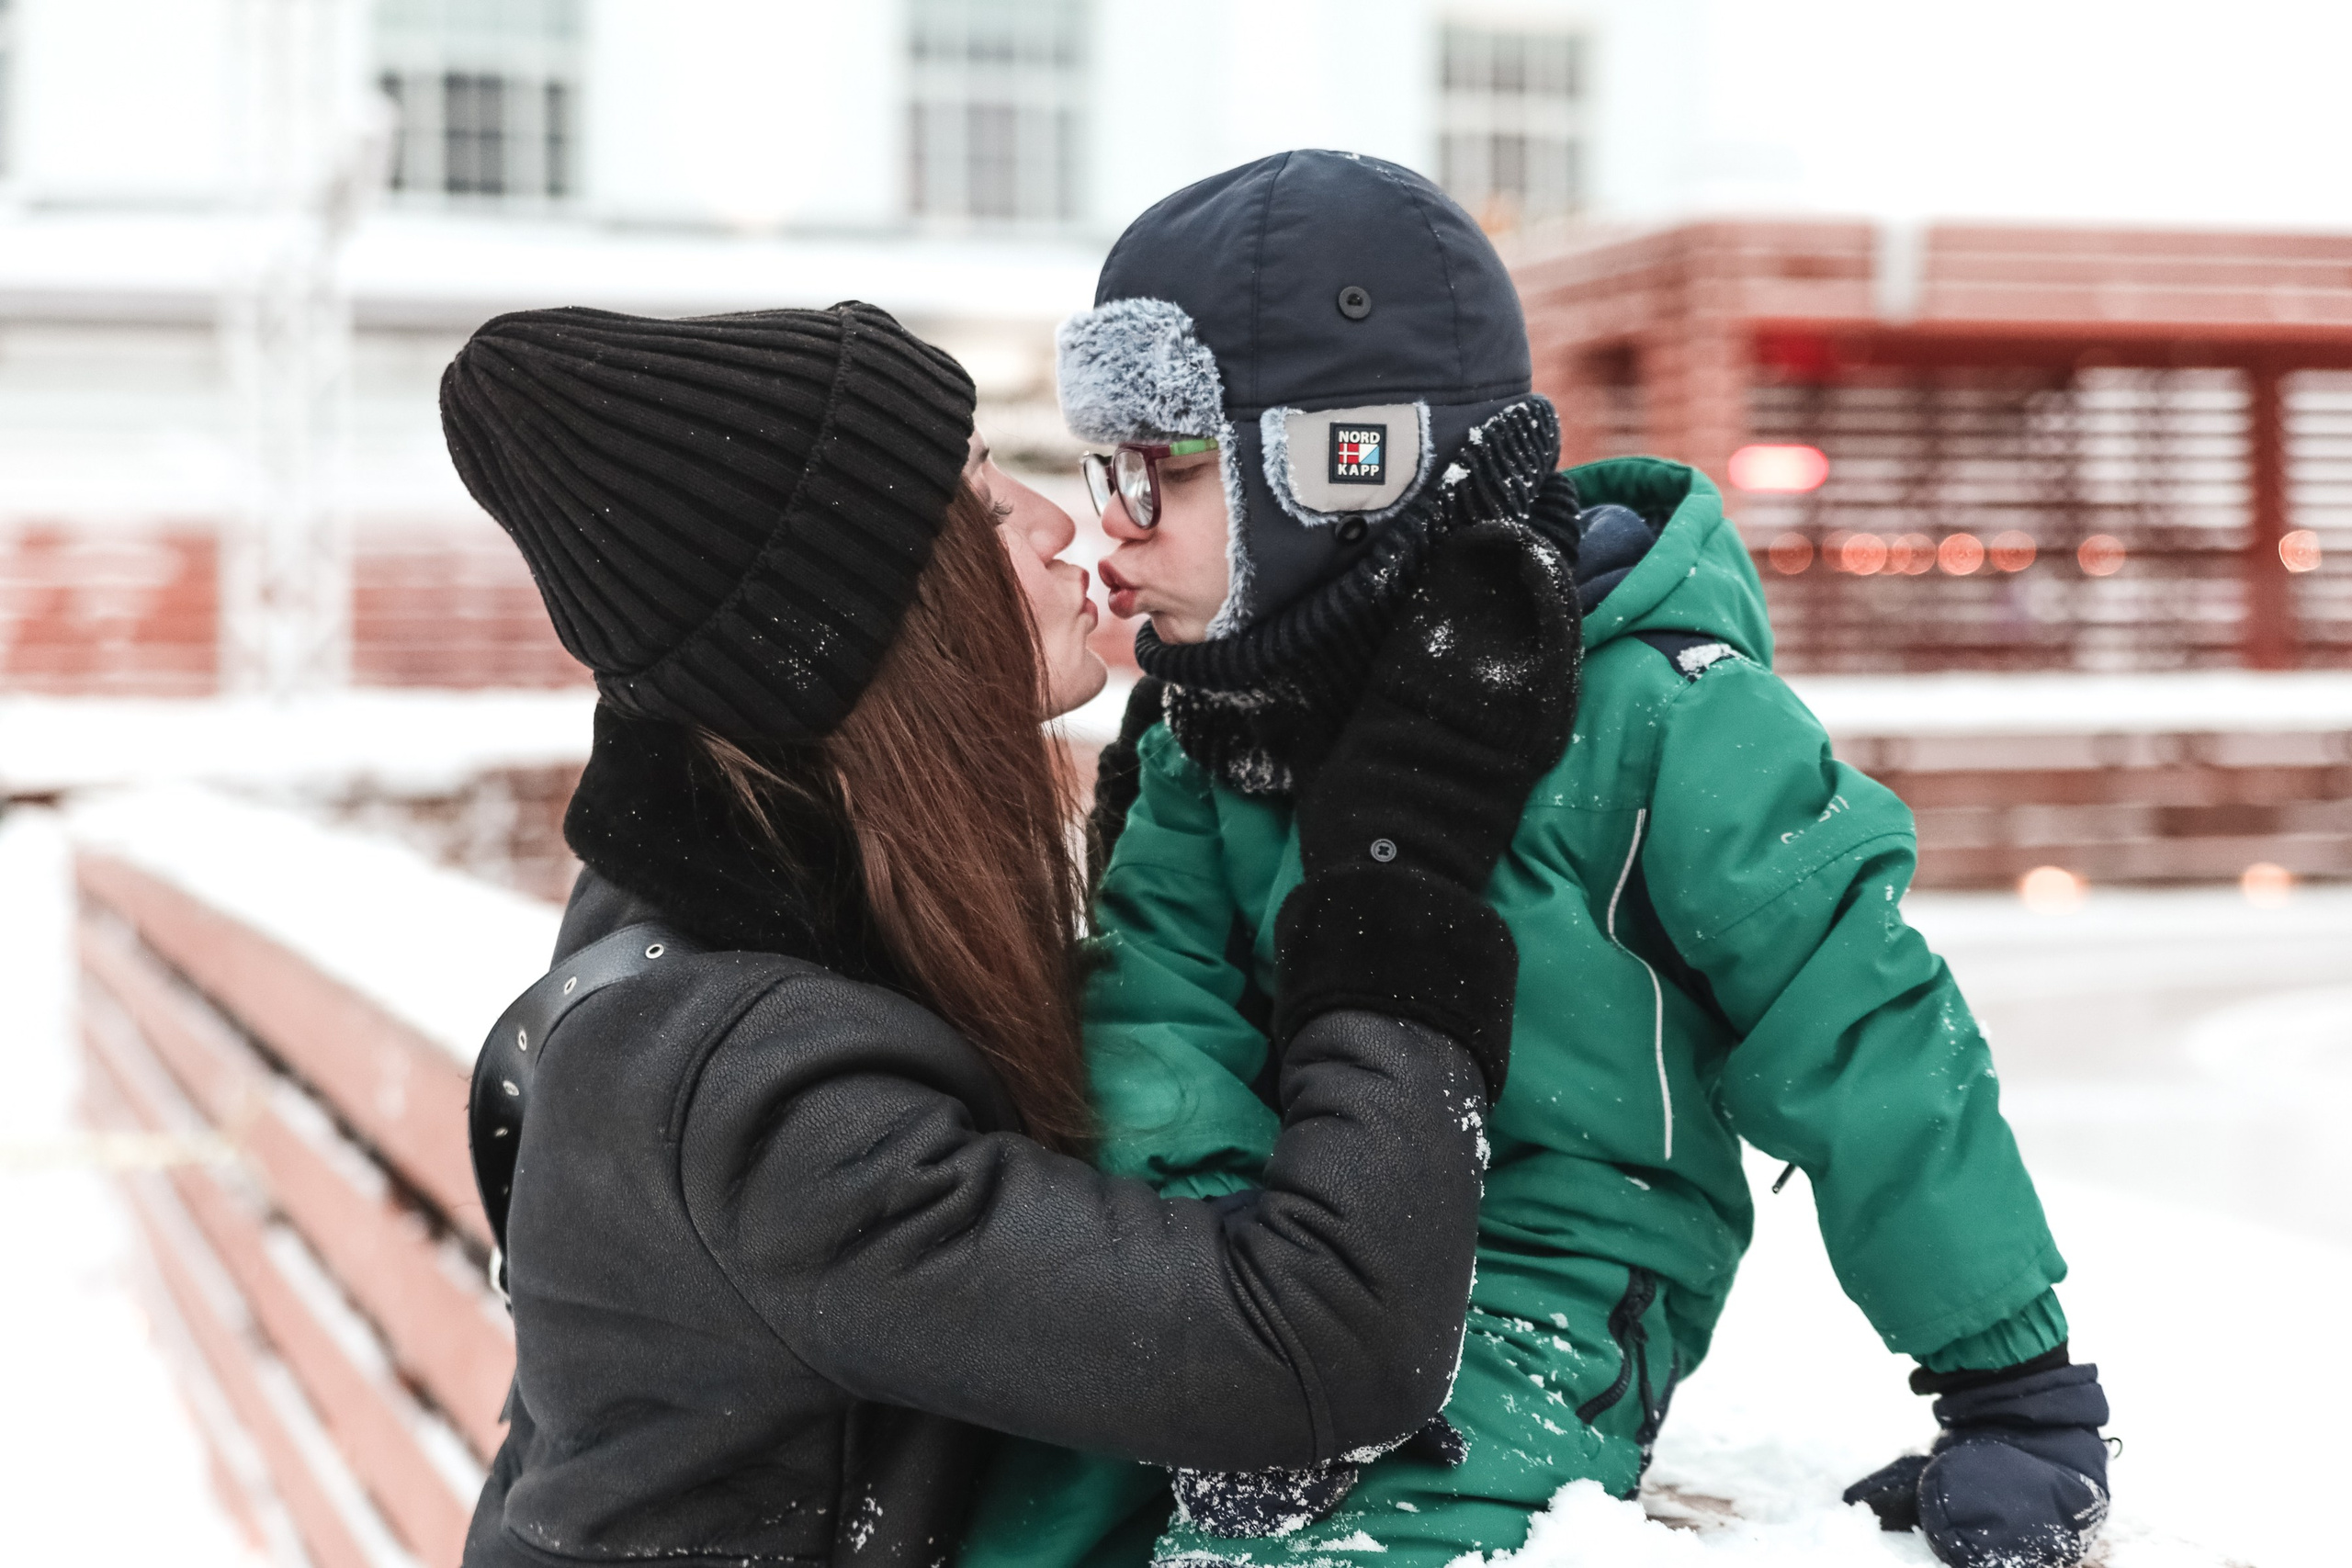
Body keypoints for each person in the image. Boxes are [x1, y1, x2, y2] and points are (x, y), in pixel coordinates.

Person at [959, 152, 2111, 1568]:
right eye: (1108, 468)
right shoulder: (1213, 728)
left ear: (1338, 466)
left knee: (1343, 1545)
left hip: (1549, 1276)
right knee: (1014, 1512)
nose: (1113, 522)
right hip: (1275, 1246)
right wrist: (1214, 1338)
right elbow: (1158, 1020)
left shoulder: (1659, 718)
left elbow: (1863, 1033)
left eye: (1166, 472)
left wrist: (2014, 1388)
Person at [435, 299, 1577, 1568]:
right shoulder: (757, 1097)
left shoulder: (748, 900)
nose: (1054, 525)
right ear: (849, 630)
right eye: (982, 508)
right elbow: (1322, 1345)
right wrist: (1398, 862)